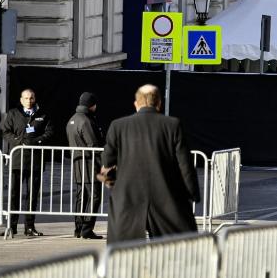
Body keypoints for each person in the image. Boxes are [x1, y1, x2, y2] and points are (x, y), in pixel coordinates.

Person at [100, 85, 200, 243]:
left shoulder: (118, 126)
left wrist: (111, 185)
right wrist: (192, 193)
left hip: (128, 198)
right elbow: (185, 164)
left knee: (124, 252)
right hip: (165, 197)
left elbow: (107, 161)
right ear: (159, 103)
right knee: (175, 249)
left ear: (136, 104)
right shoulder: (172, 125)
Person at [1, 89, 54, 236]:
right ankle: (11, 226)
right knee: (14, 194)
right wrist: (19, 141)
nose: (29, 101)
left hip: (35, 161)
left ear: (34, 98)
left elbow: (49, 132)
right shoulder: (13, 113)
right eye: (26, 98)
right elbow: (6, 131)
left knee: (32, 195)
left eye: (31, 98)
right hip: (17, 159)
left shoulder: (43, 114)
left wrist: (36, 141)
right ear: (21, 100)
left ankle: (29, 227)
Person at [66, 92, 104, 239]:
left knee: (81, 196)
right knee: (94, 196)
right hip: (90, 164)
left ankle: (79, 228)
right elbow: (93, 144)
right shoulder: (86, 121)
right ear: (91, 105)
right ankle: (87, 229)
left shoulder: (73, 119)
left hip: (78, 163)